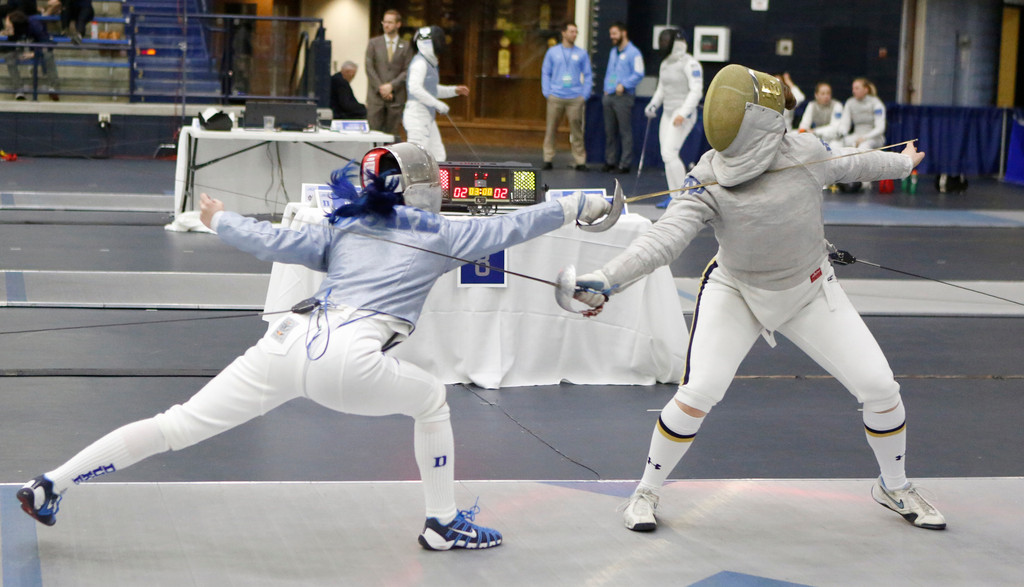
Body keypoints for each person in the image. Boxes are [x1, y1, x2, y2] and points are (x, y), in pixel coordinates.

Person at [17, 142, 613, 551]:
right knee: (431, 400)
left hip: (285, 341)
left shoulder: (347, 225)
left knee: (176, 425)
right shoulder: (448, 231)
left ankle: (52, 484)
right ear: (421, 188)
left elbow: (275, 239)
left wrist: (220, 219)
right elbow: (520, 222)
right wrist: (582, 203)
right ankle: (441, 522)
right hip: (348, 357)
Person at [571, 64, 946, 533]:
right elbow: (663, 240)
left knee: (880, 388)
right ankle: (645, 489)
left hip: (810, 289)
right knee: (699, 391)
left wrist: (902, 162)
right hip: (736, 290)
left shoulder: (806, 151)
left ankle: (894, 485)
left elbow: (856, 160)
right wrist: (608, 277)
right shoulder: (707, 175)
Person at [644, 28, 702, 209]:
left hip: (683, 114)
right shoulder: (665, 63)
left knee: (669, 153)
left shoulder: (691, 64)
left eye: (665, 41)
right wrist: (653, 105)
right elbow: (661, 89)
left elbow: (696, 91)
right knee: (667, 155)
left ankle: (680, 196)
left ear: (675, 42)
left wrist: (683, 113)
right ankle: (674, 194)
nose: (662, 44)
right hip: (668, 113)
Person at [403, 25, 468, 162]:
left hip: (427, 116)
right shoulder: (419, 63)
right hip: (416, 116)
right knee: (417, 157)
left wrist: (453, 90)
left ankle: (438, 183)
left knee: (438, 155)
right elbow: (414, 88)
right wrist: (437, 104)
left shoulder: (430, 63)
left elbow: (430, 90)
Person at [540, 21, 592, 171]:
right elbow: (546, 72)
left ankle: (580, 160)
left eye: (576, 32)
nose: (574, 34)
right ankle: (548, 158)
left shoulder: (581, 54)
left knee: (577, 130)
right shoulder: (553, 52)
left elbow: (588, 75)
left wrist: (585, 95)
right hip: (555, 96)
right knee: (551, 128)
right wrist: (547, 92)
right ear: (563, 33)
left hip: (575, 97)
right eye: (571, 31)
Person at [601, 21, 644, 174]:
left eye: (614, 33)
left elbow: (639, 73)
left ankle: (624, 163)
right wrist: (607, 88)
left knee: (625, 131)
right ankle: (610, 161)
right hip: (609, 95)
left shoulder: (634, 53)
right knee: (609, 131)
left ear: (623, 33)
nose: (612, 37)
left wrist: (624, 84)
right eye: (611, 34)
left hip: (623, 97)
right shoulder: (613, 52)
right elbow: (610, 72)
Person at [365, 9, 413, 138]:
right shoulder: (373, 43)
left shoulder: (406, 45)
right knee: (373, 135)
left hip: (396, 97)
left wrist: (391, 86)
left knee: (392, 136)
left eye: (390, 22)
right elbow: (369, 68)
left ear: (398, 24)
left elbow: (408, 70)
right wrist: (382, 88)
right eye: (384, 22)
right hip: (376, 97)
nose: (386, 25)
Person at [2, 10, 58, 101]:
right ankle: (19, 89)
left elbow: (48, 44)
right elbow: (8, 47)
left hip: (37, 48)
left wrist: (34, 53)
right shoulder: (14, 29)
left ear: (15, 24)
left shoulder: (35, 25)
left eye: (8, 22)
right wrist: (8, 35)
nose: (6, 24)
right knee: (9, 57)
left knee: (48, 55)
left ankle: (53, 87)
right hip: (22, 49)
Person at [839, 77, 886, 149]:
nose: (853, 91)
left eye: (857, 88)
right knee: (838, 144)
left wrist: (864, 137)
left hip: (874, 138)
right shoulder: (850, 102)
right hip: (856, 135)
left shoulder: (876, 103)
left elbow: (880, 128)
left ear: (865, 90)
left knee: (863, 146)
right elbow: (845, 123)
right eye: (853, 88)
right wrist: (842, 134)